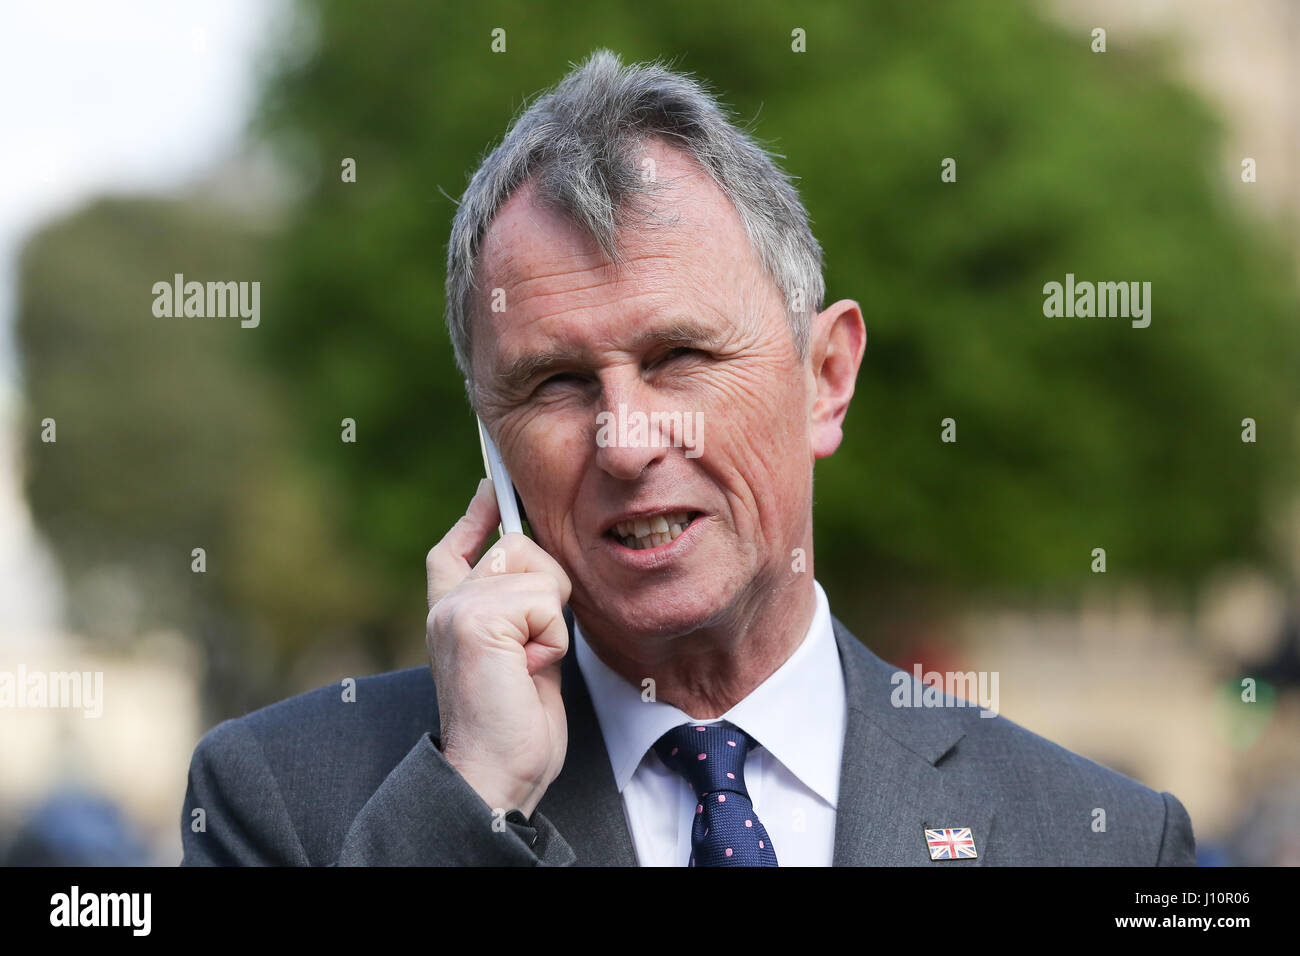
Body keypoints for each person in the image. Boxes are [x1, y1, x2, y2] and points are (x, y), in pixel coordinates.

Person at [181, 50, 1196, 866]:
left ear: (826, 375)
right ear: (488, 434)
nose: (625, 441)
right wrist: (473, 801)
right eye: (555, 383)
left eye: (679, 357)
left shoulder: (1098, 838)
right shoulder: (281, 801)